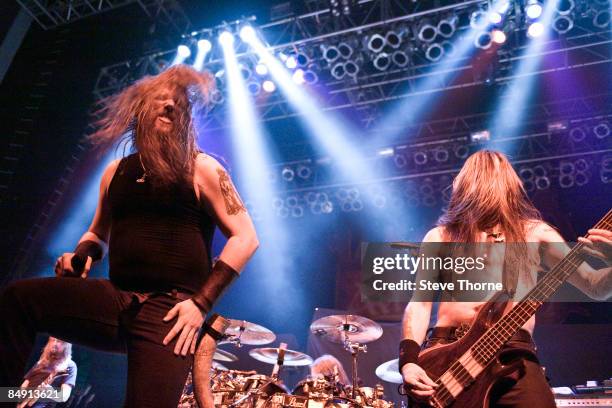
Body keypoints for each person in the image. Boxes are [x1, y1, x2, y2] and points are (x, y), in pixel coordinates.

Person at [0, 64, 259, 407]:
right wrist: (81, 257)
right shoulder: (116, 172)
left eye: (178, 104)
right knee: (18, 299)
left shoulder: (202, 168)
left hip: (169, 312)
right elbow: (97, 232)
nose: (170, 106)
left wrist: (200, 304)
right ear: (139, 109)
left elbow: (246, 237)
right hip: (116, 299)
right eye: (161, 100)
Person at [399, 150, 611, 407]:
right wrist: (409, 361)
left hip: (512, 354)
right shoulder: (440, 237)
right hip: (446, 356)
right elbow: (419, 304)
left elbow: (595, 286)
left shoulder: (535, 233)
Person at [19, 337, 76, 407]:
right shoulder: (41, 362)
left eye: (59, 341)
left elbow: (64, 397)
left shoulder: (69, 365)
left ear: (66, 345)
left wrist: (49, 391)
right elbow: (27, 381)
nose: (54, 343)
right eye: (52, 340)